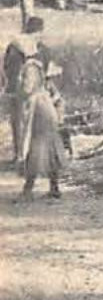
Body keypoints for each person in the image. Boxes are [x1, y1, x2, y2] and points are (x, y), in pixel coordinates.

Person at [17, 60, 69, 200]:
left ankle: (29, 189)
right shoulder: (40, 69)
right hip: (46, 109)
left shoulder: (31, 67)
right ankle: (54, 187)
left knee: (36, 147)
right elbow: (56, 96)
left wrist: (22, 93)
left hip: (38, 110)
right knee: (48, 146)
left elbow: (28, 89)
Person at [4, 16, 48, 162]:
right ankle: (27, 155)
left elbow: (6, 67)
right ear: (39, 31)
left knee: (16, 122)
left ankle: (18, 155)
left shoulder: (13, 45)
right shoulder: (37, 47)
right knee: (30, 123)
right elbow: (42, 70)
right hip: (29, 90)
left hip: (12, 88)